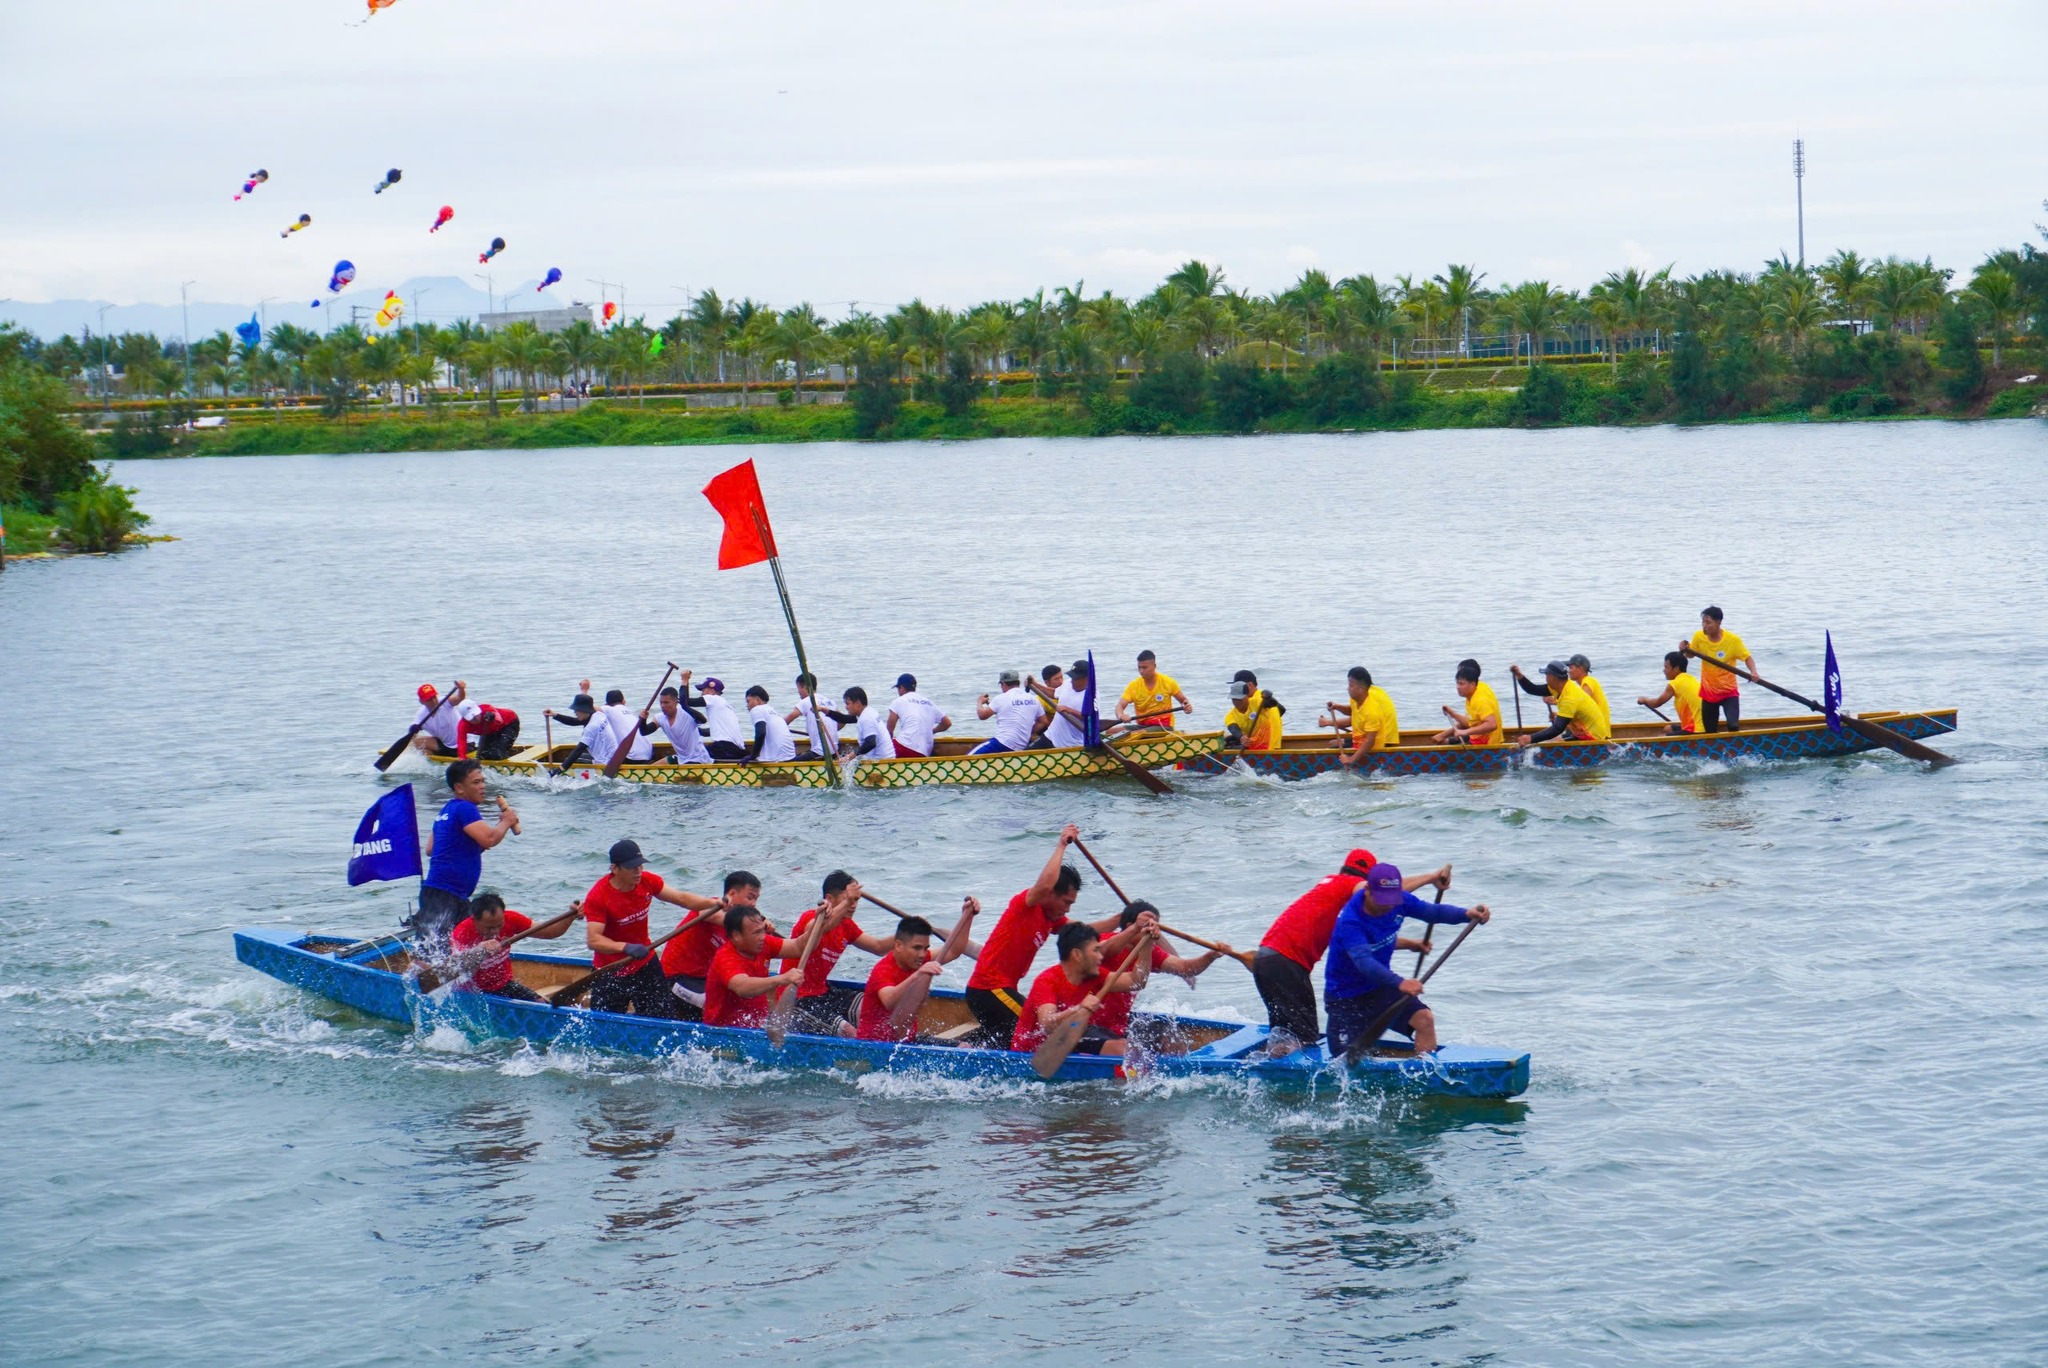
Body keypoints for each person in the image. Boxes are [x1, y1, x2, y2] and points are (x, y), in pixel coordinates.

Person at [964, 823, 1154, 1044]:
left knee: (1019, 1034)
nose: (1068, 909)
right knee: (1036, 1035)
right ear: (1051, 894)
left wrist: (1125, 921)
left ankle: (970, 1045)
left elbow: (1084, 932)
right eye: (1066, 902)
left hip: (1002, 990)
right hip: (989, 989)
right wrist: (1062, 844)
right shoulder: (1025, 905)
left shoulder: (1050, 919)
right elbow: (1043, 885)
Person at [1254, 849, 1449, 1055]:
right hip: (1287, 963)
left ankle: (1267, 1066)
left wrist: (1411, 943)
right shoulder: (1348, 885)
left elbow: (1361, 944)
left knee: (1289, 1032)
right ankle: (1265, 1071)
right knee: (1304, 1035)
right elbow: (1383, 892)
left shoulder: (1332, 890)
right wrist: (1431, 877)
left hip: (1269, 960)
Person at [1324, 863, 1491, 1058]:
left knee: (1424, 1019)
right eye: (1382, 900)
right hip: (1346, 1000)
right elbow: (1364, 963)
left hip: (1379, 989)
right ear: (1368, 890)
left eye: (1391, 900)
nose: (1388, 906)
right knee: (1345, 1063)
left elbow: (1432, 912)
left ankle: (1426, 1077)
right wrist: (1400, 982)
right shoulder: (1350, 922)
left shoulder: (1398, 900)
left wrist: (1466, 914)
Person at [581, 839, 721, 1017]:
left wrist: (713, 903)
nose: (638, 871)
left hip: (644, 962)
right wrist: (625, 947)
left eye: (640, 865)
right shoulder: (598, 897)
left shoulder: (647, 881)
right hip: (611, 969)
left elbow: (682, 898)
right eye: (632, 867)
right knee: (604, 1027)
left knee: (663, 1016)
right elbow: (593, 940)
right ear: (615, 869)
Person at [776, 871, 905, 1036]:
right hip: (798, 1001)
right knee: (849, 1032)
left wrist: (907, 932)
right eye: (849, 899)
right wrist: (847, 902)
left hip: (824, 993)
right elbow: (819, 928)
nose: (854, 905)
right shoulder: (811, 917)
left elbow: (878, 947)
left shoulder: (847, 925)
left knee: (874, 1007)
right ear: (829, 899)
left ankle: (891, 1042)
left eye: (856, 900)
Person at [1088, 899, 1231, 1044]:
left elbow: (1186, 968)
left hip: (1119, 1025)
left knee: (1170, 1036)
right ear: (1129, 926)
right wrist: (1136, 928)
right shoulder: (1106, 940)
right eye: (1148, 925)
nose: (1153, 931)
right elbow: (1103, 951)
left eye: (1155, 926)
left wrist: (1211, 955)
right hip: (1088, 1023)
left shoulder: (1149, 949)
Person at [412, 759, 519, 950]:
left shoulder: (447, 810)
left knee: (455, 949)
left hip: (448, 894)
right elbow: (489, 839)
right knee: (432, 952)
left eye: (483, 781)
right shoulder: (465, 808)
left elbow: (431, 849)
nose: (483, 787)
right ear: (459, 788)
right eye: (476, 783)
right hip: (443, 895)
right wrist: (506, 821)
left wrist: (470, 846)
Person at [1010, 923, 1156, 1056]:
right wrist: (1079, 1008)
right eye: (1096, 950)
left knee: (1143, 1041)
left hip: (1072, 1038)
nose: (1101, 956)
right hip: (1038, 1053)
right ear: (1077, 955)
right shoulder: (1047, 981)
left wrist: (1146, 946)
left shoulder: (1095, 975)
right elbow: (1047, 1024)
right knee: (1122, 1049)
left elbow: (1136, 982)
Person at [856, 909, 981, 1043]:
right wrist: (918, 974)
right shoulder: (883, 970)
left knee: (964, 1047)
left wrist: (968, 916)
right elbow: (889, 1001)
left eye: (925, 948)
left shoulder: (918, 960)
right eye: (916, 948)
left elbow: (954, 950)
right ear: (898, 945)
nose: (922, 954)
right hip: (875, 1046)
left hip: (907, 1041)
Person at [446, 891, 570, 1001]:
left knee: (541, 1003)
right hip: (470, 992)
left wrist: (571, 916)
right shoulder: (462, 932)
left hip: (502, 985)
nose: (495, 932)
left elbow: (550, 932)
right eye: (489, 928)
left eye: (499, 926)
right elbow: (456, 968)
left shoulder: (511, 918)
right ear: (474, 920)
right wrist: (480, 950)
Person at [701, 907, 801, 1029]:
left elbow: (798, 947)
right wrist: (781, 979)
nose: (762, 937)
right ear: (736, 936)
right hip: (723, 1031)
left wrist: (822, 924)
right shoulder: (725, 957)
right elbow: (742, 987)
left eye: (762, 931)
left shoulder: (763, 943)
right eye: (756, 933)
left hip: (756, 1025)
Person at [1686, 606, 1762, 733]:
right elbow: (1691, 654)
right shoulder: (1699, 637)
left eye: (1708, 622)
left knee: (1733, 726)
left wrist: (1753, 672)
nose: (1704, 626)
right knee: (1710, 732)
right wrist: (1685, 649)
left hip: (1728, 692)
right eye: (1703, 622)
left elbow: (1747, 658)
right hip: (1708, 693)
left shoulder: (1732, 640)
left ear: (1718, 622)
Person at [1512, 661, 1612, 746]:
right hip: (1580, 732)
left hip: (1593, 739)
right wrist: (1519, 675)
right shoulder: (1560, 686)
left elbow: (1557, 728)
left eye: (1546, 675)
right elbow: (1532, 689)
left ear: (1553, 677)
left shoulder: (1569, 698)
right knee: (1550, 740)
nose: (1545, 678)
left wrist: (1530, 738)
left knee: (1549, 740)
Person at [1321, 666, 1398, 766]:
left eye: (1350, 686)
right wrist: (1337, 707)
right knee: (1332, 743)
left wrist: (1351, 759)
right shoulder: (1358, 697)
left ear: (1361, 688)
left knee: (1331, 751)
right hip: (1361, 738)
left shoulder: (1372, 708)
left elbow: (1370, 740)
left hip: (1377, 743)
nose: (1347, 689)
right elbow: (1354, 711)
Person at [1432, 659, 1503, 746]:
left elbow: (1492, 724)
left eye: (1461, 683)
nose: (1458, 687)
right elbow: (1470, 723)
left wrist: (1464, 732)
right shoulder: (1473, 692)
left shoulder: (1480, 699)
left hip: (1486, 744)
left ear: (1472, 682)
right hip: (1476, 737)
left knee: (1444, 745)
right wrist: (1453, 714)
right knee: (1442, 742)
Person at [973, 670, 1047, 754]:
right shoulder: (1033, 699)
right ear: (1018, 683)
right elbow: (1043, 722)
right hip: (1022, 745)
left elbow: (982, 715)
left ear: (1003, 684)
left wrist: (979, 701)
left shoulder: (1001, 698)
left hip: (1003, 742)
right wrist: (1027, 731)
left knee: (969, 758)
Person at [646, 678, 712, 764]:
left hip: (698, 759)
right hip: (681, 758)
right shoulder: (660, 718)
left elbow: (703, 720)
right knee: (652, 769)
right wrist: (643, 719)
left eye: (666, 702)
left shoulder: (686, 714)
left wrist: (684, 682)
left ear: (676, 702)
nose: (662, 706)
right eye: (661, 702)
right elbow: (644, 731)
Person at [1117, 650, 1190, 728]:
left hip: (1164, 726)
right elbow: (1120, 706)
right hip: (1143, 727)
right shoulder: (1133, 686)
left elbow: (1183, 701)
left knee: (1138, 733)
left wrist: (1187, 707)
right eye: (1139, 667)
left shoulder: (1168, 682)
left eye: (1144, 667)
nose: (1141, 671)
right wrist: (1121, 716)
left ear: (1154, 666)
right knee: (1110, 732)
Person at [885, 674, 950, 759]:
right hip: (925, 752)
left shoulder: (898, 701)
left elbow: (889, 731)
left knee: (879, 746)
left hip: (904, 748)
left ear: (901, 687)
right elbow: (947, 723)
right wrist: (932, 731)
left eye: (898, 688)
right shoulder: (928, 702)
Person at [1639, 651, 1704, 734]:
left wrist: (1644, 700)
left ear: (1676, 668)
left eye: (1666, 667)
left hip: (1696, 729)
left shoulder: (1675, 684)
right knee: (1668, 729)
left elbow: (1657, 703)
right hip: (1702, 725)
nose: (1664, 671)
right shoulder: (1691, 679)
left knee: (1661, 740)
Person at [688, 678, 750, 760]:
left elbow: (686, 702)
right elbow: (713, 731)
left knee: (691, 755)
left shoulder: (713, 699)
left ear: (712, 691)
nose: (701, 694)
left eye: (703, 691)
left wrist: (684, 681)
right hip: (736, 750)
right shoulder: (724, 705)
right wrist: (694, 730)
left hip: (725, 748)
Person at [408, 680, 473, 757]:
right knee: (414, 741)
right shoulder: (421, 714)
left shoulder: (445, 702)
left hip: (465, 745)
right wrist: (413, 729)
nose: (434, 701)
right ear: (422, 702)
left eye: (434, 697)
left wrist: (461, 689)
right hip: (446, 746)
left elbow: (459, 698)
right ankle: (434, 761)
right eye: (429, 699)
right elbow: (412, 731)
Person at [1039, 660, 1095, 749]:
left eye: (1076, 678)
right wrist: (1034, 684)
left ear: (1086, 678)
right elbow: (1053, 693)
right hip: (1051, 736)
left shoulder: (1092, 696)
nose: (1072, 681)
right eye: (1072, 677)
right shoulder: (1068, 683)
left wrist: (1069, 710)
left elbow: (1090, 718)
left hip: (1072, 744)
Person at [786, 673, 841, 758]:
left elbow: (785, 721)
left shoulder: (806, 701)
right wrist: (831, 729)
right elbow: (843, 721)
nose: (798, 692)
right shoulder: (829, 702)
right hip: (835, 751)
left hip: (821, 752)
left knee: (792, 761)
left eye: (798, 688)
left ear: (804, 687)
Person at [1224, 673, 1284, 751]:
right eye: (1234, 699)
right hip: (1253, 747)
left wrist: (1270, 698)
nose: (1236, 702)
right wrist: (1241, 737)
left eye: (1239, 699)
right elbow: (1233, 728)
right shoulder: (1230, 716)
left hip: (1269, 747)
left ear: (1247, 696)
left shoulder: (1257, 702)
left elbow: (1273, 704)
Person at [742, 686, 799, 762]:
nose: (747, 705)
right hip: (790, 756)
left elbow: (761, 733)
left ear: (758, 700)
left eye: (748, 701)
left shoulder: (757, 709)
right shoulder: (773, 711)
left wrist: (753, 756)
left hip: (776, 758)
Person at [839, 686, 897, 761]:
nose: (846, 707)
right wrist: (825, 710)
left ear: (857, 703)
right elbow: (844, 718)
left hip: (881, 762)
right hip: (889, 757)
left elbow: (871, 743)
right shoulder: (870, 711)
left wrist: (849, 757)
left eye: (847, 704)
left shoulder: (866, 718)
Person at [546, 687, 599, 767]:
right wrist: (554, 715)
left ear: (584, 710)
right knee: (570, 757)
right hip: (606, 754)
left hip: (605, 760)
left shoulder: (591, 726)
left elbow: (579, 749)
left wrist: (559, 770)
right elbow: (573, 721)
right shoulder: (596, 716)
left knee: (570, 759)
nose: (574, 712)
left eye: (576, 709)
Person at [456, 701, 521, 761]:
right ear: (465, 718)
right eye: (472, 718)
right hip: (489, 731)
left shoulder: (486, 709)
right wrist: (462, 758)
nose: (476, 719)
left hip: (509, 723)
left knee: (497, 754)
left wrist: (493, 718)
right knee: (483, 756)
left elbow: (499, 721)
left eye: (476, 715)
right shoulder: (462, 725)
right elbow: (461, 741)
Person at [1567, 654, 1612, 730]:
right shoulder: (1585, 683)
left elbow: (1581, 705)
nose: (1568, 671)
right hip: (1595, 729)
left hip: (1597, 732)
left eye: (1571, 668)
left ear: (1580, 669)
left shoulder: (1588, 681)